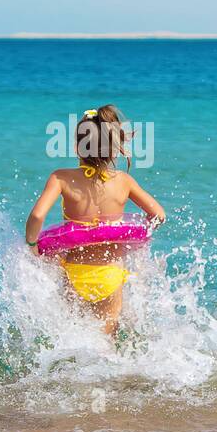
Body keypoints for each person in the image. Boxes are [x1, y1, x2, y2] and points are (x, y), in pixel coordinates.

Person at [25, 105, 165, 337]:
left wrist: (32, 247)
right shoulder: (124, 181)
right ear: (113, 148)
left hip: (74, 271)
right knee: (107, 342)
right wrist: (131, 237)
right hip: (110, 272)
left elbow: (37, 216)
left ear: (77, 146)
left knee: (72, 339)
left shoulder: (60, 177)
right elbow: (159, 216)